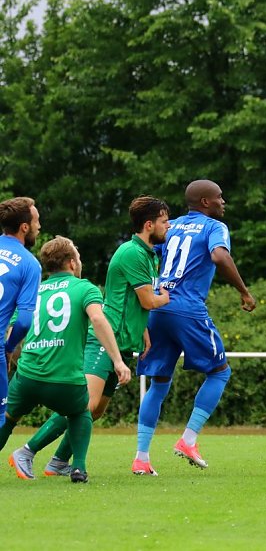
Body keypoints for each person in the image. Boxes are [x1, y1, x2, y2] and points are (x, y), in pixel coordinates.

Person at [10, 196, 171, 478]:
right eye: (164, 221)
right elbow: (147, 300)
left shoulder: (150, 255)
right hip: (106, 338)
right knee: (84, 405)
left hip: (123, 341)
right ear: (149, 225)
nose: (168, 226)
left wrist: (142, 328)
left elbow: (131, 300)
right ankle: (26, 451)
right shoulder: (132, 253)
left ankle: (58, 461)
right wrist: (165, 298)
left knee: (95, 411)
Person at [133, 180, 256, 476]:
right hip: (187, 308)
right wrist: (244, 291)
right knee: (220, 372)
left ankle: (141, 458)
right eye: (219, 197)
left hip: (158, 305)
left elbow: (146, 250)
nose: (223, 202)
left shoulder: (171, 225)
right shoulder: (214, 227)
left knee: (159, 383)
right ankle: (188, 440)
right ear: (205, 202)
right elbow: (219, 256)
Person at [0, 236, 129, 483]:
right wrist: (117, 360)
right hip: (65, 380)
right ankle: (78, 468)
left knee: (6, 419)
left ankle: (38, 458)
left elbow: (14, 331)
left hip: (27, 376)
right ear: (71, 263)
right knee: (81, 412)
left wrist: (12, 359)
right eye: (78, 258)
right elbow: (98, 319)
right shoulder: (85, 288)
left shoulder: (33, 291)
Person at [0, 197, 42, 429]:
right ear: (24, 227)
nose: (39, 226)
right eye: (36, 221)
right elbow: (24, 321)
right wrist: (8, 349)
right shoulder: (29, 264)